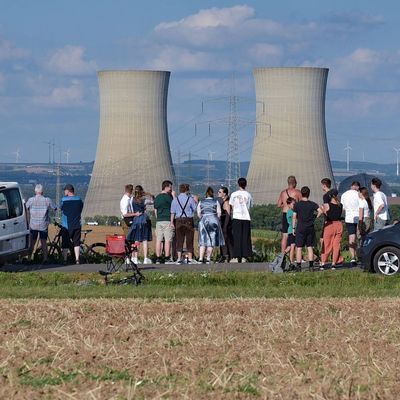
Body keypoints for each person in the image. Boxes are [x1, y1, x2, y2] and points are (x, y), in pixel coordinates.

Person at [293, 186, 322, 272]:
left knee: (299, 247)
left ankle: (298, 266)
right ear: (309, 194)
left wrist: (294, 228)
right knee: (309, 247)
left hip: (300, 227)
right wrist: (314, 218)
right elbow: (320, 210)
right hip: (310, 227)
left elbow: (294, 217)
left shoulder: (297, 205)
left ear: (301, 194)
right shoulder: (312, 204)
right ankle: (311, 266)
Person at [25, 184, 57, 263]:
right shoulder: (47, 200)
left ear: (35, 191)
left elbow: (25, 208)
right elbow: (55, 208)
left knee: (32, 242)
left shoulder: (31, 200)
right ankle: (45, 259)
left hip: (33, 225)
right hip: (43, 225)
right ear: (42, 192)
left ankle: (29, 259)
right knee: (43, 242)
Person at [170, 183, 198, 264]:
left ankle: (179, 258)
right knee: (189, 239)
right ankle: (189, 258)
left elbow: (172, 212)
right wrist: (196, 201)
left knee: (179, 239)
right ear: (187, 190)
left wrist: (172, 222)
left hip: (178, 220)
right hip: (188, 220)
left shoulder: (175, 200)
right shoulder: (190, 199)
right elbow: (195, 209)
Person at [197, 187, 225, 264]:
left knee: (203, 239)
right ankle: (208, 258)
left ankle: (200, 258)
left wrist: (203, 217)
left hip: (204, 221)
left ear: (206, 194)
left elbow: (198, 213)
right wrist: (216, 218)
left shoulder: (201, 202)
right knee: (211, 240)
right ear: (212, 194)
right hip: (213, 220)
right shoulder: (216, 201)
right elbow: (219, 213)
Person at [127, 185, 154, 264]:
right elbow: (153, 202)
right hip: (144, 220)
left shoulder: (132, 199)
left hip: (136, 220)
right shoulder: (144, 200)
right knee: (145, 240)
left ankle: (135, 258)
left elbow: (130, 209)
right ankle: (146, 259)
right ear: (142, 191)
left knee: (136, 240)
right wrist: (149, 194)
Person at [229, 177, 253, 263]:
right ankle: (244, 257)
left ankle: (236, 257)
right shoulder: (248, 195)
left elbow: (231, 206)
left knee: (236, 237)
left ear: (238, 184)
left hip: (236, 217)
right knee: (245, 237)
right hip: (246, 218)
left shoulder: (233, 194)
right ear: (245, 184)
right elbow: (250, 207)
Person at [320, 189, 344, 270]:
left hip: (329, 225)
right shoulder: (340, 205)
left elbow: (325, 214)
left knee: (326, 245)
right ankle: (334, 263)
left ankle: (323, 263)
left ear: (330, 196)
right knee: (336, 245)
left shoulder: (327, 205)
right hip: (339, 225)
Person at [277, 176, 302, 253]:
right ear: (294, 183)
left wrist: (285, 205)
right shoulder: (297, 192)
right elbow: (302, 203)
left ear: (288, 183)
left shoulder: (283, 193)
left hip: (285, 214)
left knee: (285, 235)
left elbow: (278, 205)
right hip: (294, 215)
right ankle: (293, 255)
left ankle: (282, 254)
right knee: (294, 234)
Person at [60, 184, 83, 265]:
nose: (64, 192)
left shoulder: (64, 200)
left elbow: (61, 208)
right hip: (77, 225)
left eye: (65, 190)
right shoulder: (79, 200)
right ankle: (77, 259)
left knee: (65, 243)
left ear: (68, 191)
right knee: (76, 243)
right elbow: (80, 209)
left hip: (66, 225)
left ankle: (65, 260)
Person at [154, 180, 175, 264]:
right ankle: (167, 258)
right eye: (170, 187)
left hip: (159, 221)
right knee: (167, 240)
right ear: (166, 187)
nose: (171, 189)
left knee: (158, 240)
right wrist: (173, 196)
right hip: (167, 220)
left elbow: (155, 210)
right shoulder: (168, 197)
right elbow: (174, 206)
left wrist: (158, 218)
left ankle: (158, 258)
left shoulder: (157, 197)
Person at [340, 181, 360, 266]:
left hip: (349, 218)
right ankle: (360, 256)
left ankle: (352, 257)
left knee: (351, 237)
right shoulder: (359, 194)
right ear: (357, 186)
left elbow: (343, 208)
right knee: (360, 237)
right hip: (359, 217)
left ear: (351, 185)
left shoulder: (344, 195)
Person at [217, 186, 233, 262]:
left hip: (226, 224)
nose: (218, 193)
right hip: (223, 223)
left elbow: (228, 215)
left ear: (224, 193)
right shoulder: (223, 201)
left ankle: (226, 256)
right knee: (225, 240)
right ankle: (225, 255)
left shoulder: (226, 202)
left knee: (225, 240)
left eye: (220, 192)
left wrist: (225, 227)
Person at [285, 197, 296, 268]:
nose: (294, 205)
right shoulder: (290, 212)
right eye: (293, 204)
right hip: (292, 231)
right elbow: (294, 220)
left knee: (289, 247)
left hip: (291, 231)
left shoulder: (292, 211)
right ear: (289, 204)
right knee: (292, 247)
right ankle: (291, 263)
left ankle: (280, 256)